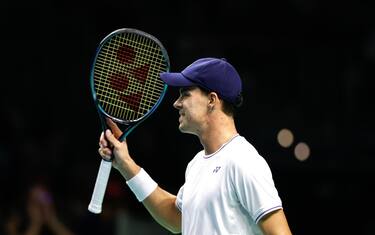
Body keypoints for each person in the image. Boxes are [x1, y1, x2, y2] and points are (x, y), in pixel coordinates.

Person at [98, 57, 292, 234]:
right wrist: (126, 165)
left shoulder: (243, 161)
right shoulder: (197, 164)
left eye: (185, 94)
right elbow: (176, 218)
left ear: (212, 100)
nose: (176, 103)